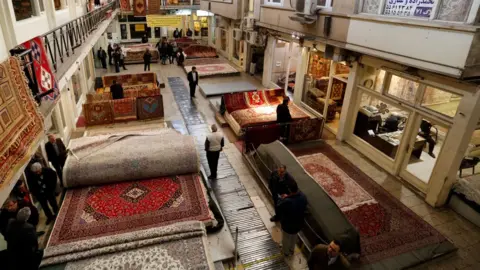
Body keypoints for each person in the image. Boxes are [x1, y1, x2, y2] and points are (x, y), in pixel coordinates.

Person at [277, 181, 307, 257]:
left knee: (286, 238)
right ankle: (291, 249)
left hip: (288, 225)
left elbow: (279, 207)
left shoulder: (288, 201)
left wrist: (282, 198)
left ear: (289, 191)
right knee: (294, 237)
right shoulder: (303, 196)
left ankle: (286, 252)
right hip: (298, 223)